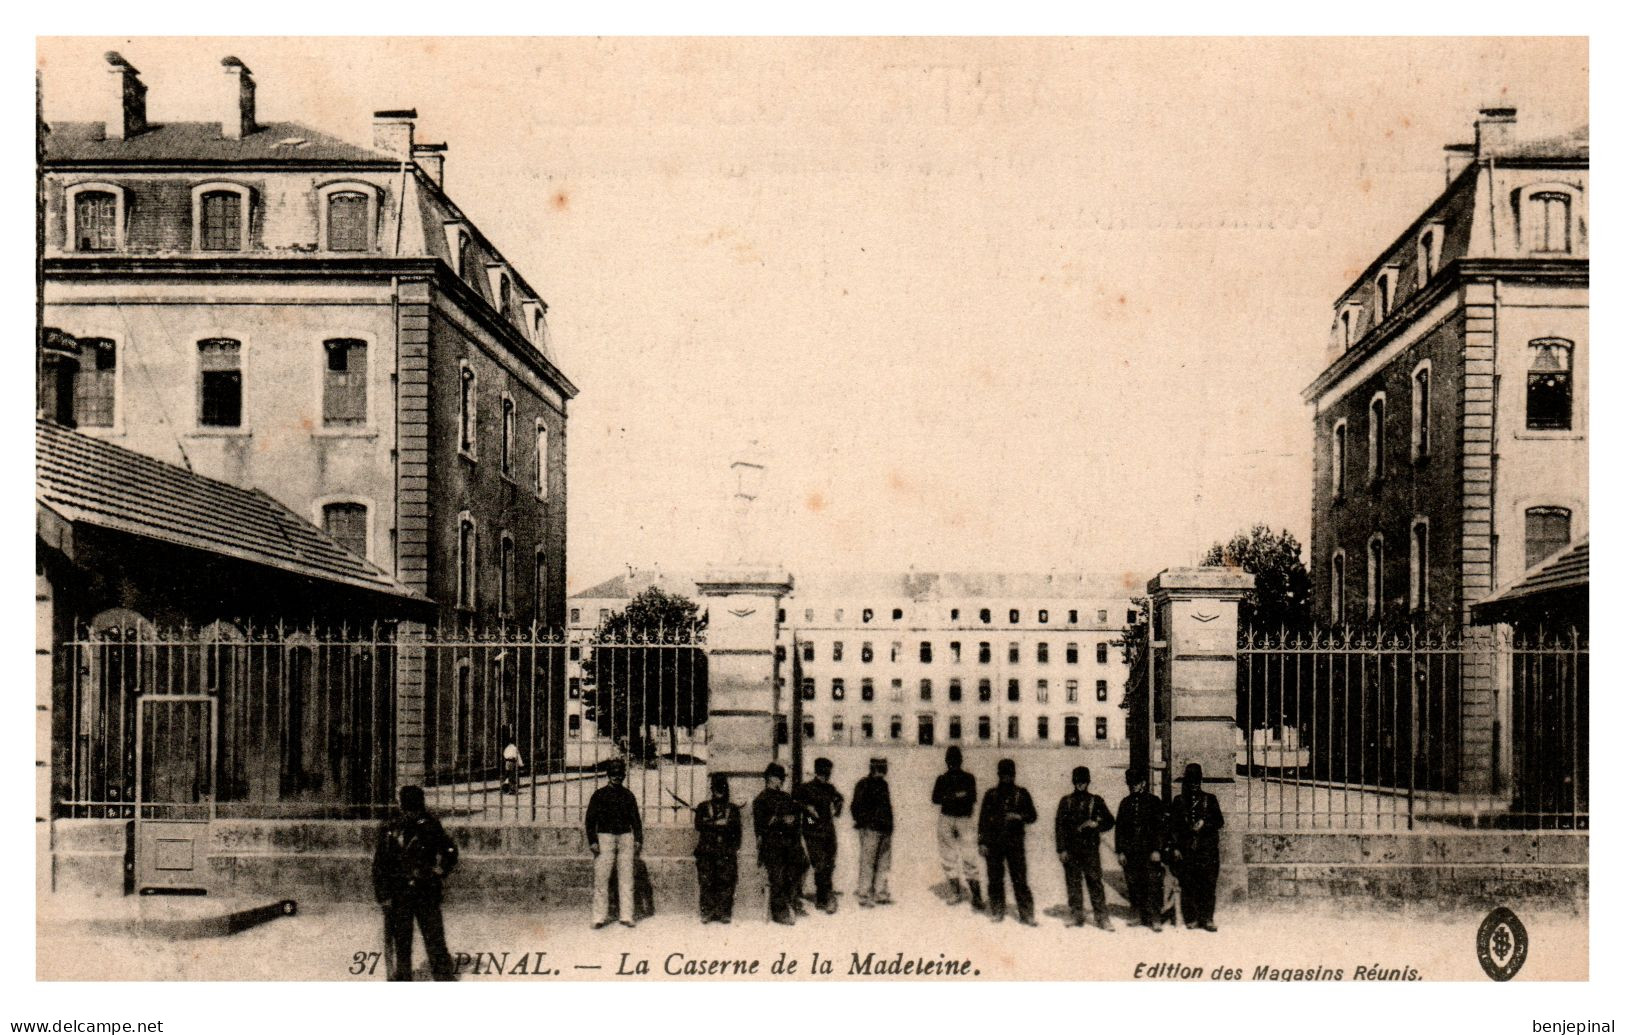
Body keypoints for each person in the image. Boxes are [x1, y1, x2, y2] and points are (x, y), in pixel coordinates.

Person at [372, 784, 459, 981]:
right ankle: (404, 978)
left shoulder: (428, 825)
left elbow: (449, 851)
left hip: (423, 889)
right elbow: (380, 864)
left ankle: (443, 977)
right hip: (401, 892)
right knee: (404, 940)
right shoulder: (391, 828)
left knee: (433, 938)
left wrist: (439, 871)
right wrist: (384, 896)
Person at [977, 758, 1038, 926]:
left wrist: (1018, 816)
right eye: (1003, 775)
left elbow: (1032, 815)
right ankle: (997, 909)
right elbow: (982, 820)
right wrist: (982, 842)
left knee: (1020, 879)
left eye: (1009, 775)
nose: (1006, 779)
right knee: (995, 878)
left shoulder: (1022, 793)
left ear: (1014, 775)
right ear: (998, 776)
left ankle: (1027, 914)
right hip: (994, 843)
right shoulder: (991, 795)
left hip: (1015, 843)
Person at [1055, 765, 1116, 930]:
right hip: (1072, 850)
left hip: (1090, 851)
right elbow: (1059, 827)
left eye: (1083, 782)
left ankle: (1102, 918)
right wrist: (1062, 850)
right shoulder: (1066, 802)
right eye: (1077, 782)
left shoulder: (1096, 801)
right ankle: (1076, 915)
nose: (1080, 785)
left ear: (1088, 782)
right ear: (1073, 782)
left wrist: (1096, 824)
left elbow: (1110, 821)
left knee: (1095, 882)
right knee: (1073, 883)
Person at [585, 758, 643, 929]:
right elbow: (590, 821)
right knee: (601, 879)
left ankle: (626, 916)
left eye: (620, 774)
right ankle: (598, 917)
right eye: (613, 774)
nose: (617, 777)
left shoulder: (628, 795)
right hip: (605, 838)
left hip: (626, 837)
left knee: (626, 878)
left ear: (624, 776)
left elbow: (636, 820)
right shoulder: (599, 795)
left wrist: (638, 838)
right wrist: (593, 841)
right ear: (608, 775)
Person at [1169, 763, 1224, 932]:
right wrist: (1175, 848)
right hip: (1187, 850)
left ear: (1201, 781)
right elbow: (1172, 827)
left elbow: (1219, 821)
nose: (1194, 785)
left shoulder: (1210, 799)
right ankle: (1191, 918)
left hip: (1207, 851)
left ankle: (1207, 918)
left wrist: (1205, 823)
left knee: (1208, 885)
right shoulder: (1179, 801)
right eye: (1191, 781)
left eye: (1197, 781)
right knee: (1188, 884)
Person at [753, 762, 809, 925]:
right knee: (777, 876)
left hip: (789, 843)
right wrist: (781, 820)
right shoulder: (761, 800)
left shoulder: (785, 797)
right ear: (770, 779)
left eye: (782, 779)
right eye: (779, 778)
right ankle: (779, 912)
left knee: (801, 865)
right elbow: (761, 827)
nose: (782, 781)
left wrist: (795, 819)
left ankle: (791, 901)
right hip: (772, 846)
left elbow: (796, 815)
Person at [1114, 766, 1166, 931]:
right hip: (1131, 851)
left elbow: (1160, 829)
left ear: (1143, 783)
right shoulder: (1125, 803)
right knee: (1133, 882)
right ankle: (1137, 914)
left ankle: (1155, 917)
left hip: (1149, 850)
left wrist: (1157, 850)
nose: (1133, 787)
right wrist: (1121, 851)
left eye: (1136, 783)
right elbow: (1119, 829)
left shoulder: (1154, 801)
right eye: (1130, 784)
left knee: (1153, 883)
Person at [931, 745, 982, 908]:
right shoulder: (965, 778)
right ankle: (974, 896)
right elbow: (936, 798)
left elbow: (939, 798)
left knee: (955, 857)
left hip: (953, 818)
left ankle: (962, 894)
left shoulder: (947, 779)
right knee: (963, 857)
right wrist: (959, 796)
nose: (952, 764)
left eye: (953, 761)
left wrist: (949, 796)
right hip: (958, 819)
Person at [795, 757, 845, 913]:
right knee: (820, 864)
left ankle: (823, 896)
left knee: (829, 864)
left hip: (829, 832)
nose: (826, 776)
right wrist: (810, 815)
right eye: (824, 773)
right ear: (818, 772)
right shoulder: (806, 788)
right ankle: (825, 898)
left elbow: (839, 798)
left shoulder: (830, 788)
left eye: (828, 773)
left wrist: (838, 805)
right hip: (813, 833)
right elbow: (797, 803)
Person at [693, 773, 743, 923]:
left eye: (722, 788)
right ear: (712, 789)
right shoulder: (703, 807)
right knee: (706, 881)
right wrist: (716, 824)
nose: (719, 791)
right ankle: (707, 911)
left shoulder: (732, 809)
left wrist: (733, 849)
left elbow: (736, 830)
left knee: (726, 881)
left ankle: (724, 912)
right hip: (707, 851)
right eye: (716, 788)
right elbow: (698, 825)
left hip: (726, 851)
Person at [850, 757, 895, 907]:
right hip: (871, 829)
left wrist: (889, 826)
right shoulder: (863, 784)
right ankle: (864, 895)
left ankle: (880, 893)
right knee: (868, 863)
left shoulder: (884, 785)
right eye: (881, 768)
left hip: (885, 829)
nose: (883, 771)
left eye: (884, 768)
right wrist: (865, 823)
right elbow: (855, 807)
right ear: (874, 769)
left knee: (883, 863)